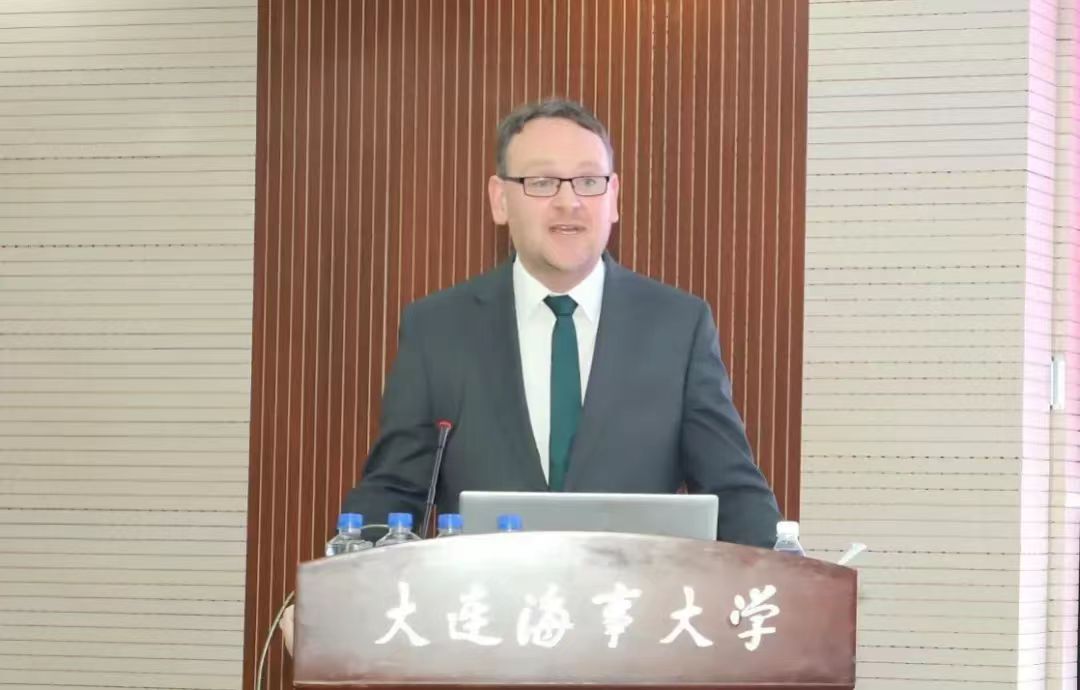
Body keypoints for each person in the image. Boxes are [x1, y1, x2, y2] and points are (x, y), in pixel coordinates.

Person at [280, 98, 782, 654]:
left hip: (632, 639)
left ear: (615, 197)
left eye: (589, 181)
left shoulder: (677, 325)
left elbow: (733, 488)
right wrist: (339, 595)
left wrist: (789, 588)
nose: (570, 201)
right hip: (479, 640)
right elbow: (394, 488)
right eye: (542, 182)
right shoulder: (439, 328)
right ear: (500, 199)